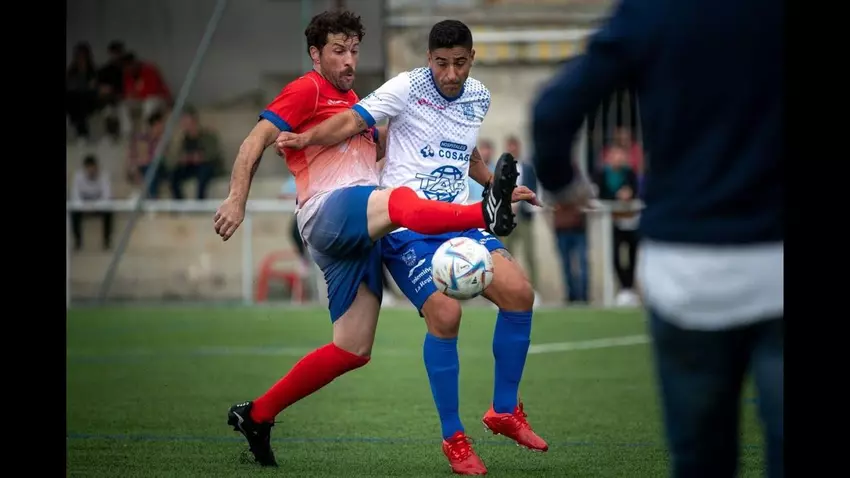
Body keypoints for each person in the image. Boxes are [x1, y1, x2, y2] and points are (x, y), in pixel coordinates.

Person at [213, 10, 519, 468]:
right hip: (328, 212)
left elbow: (429, 148)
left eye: (354, 50)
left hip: (362, 226)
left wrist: (485, 175)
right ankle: (483, 213)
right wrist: (237, 199)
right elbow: (253, 142)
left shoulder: (359, 102)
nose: (349, 60)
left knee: (352, 349)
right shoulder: (308, 89)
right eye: (338, 50)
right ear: (315, 54)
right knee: (397, 201)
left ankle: (257, 414)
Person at [530, 0, 783, 477]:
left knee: (700, 460)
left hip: (688, 271)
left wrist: (563, 185)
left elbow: (553, 111)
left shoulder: (655, 11)